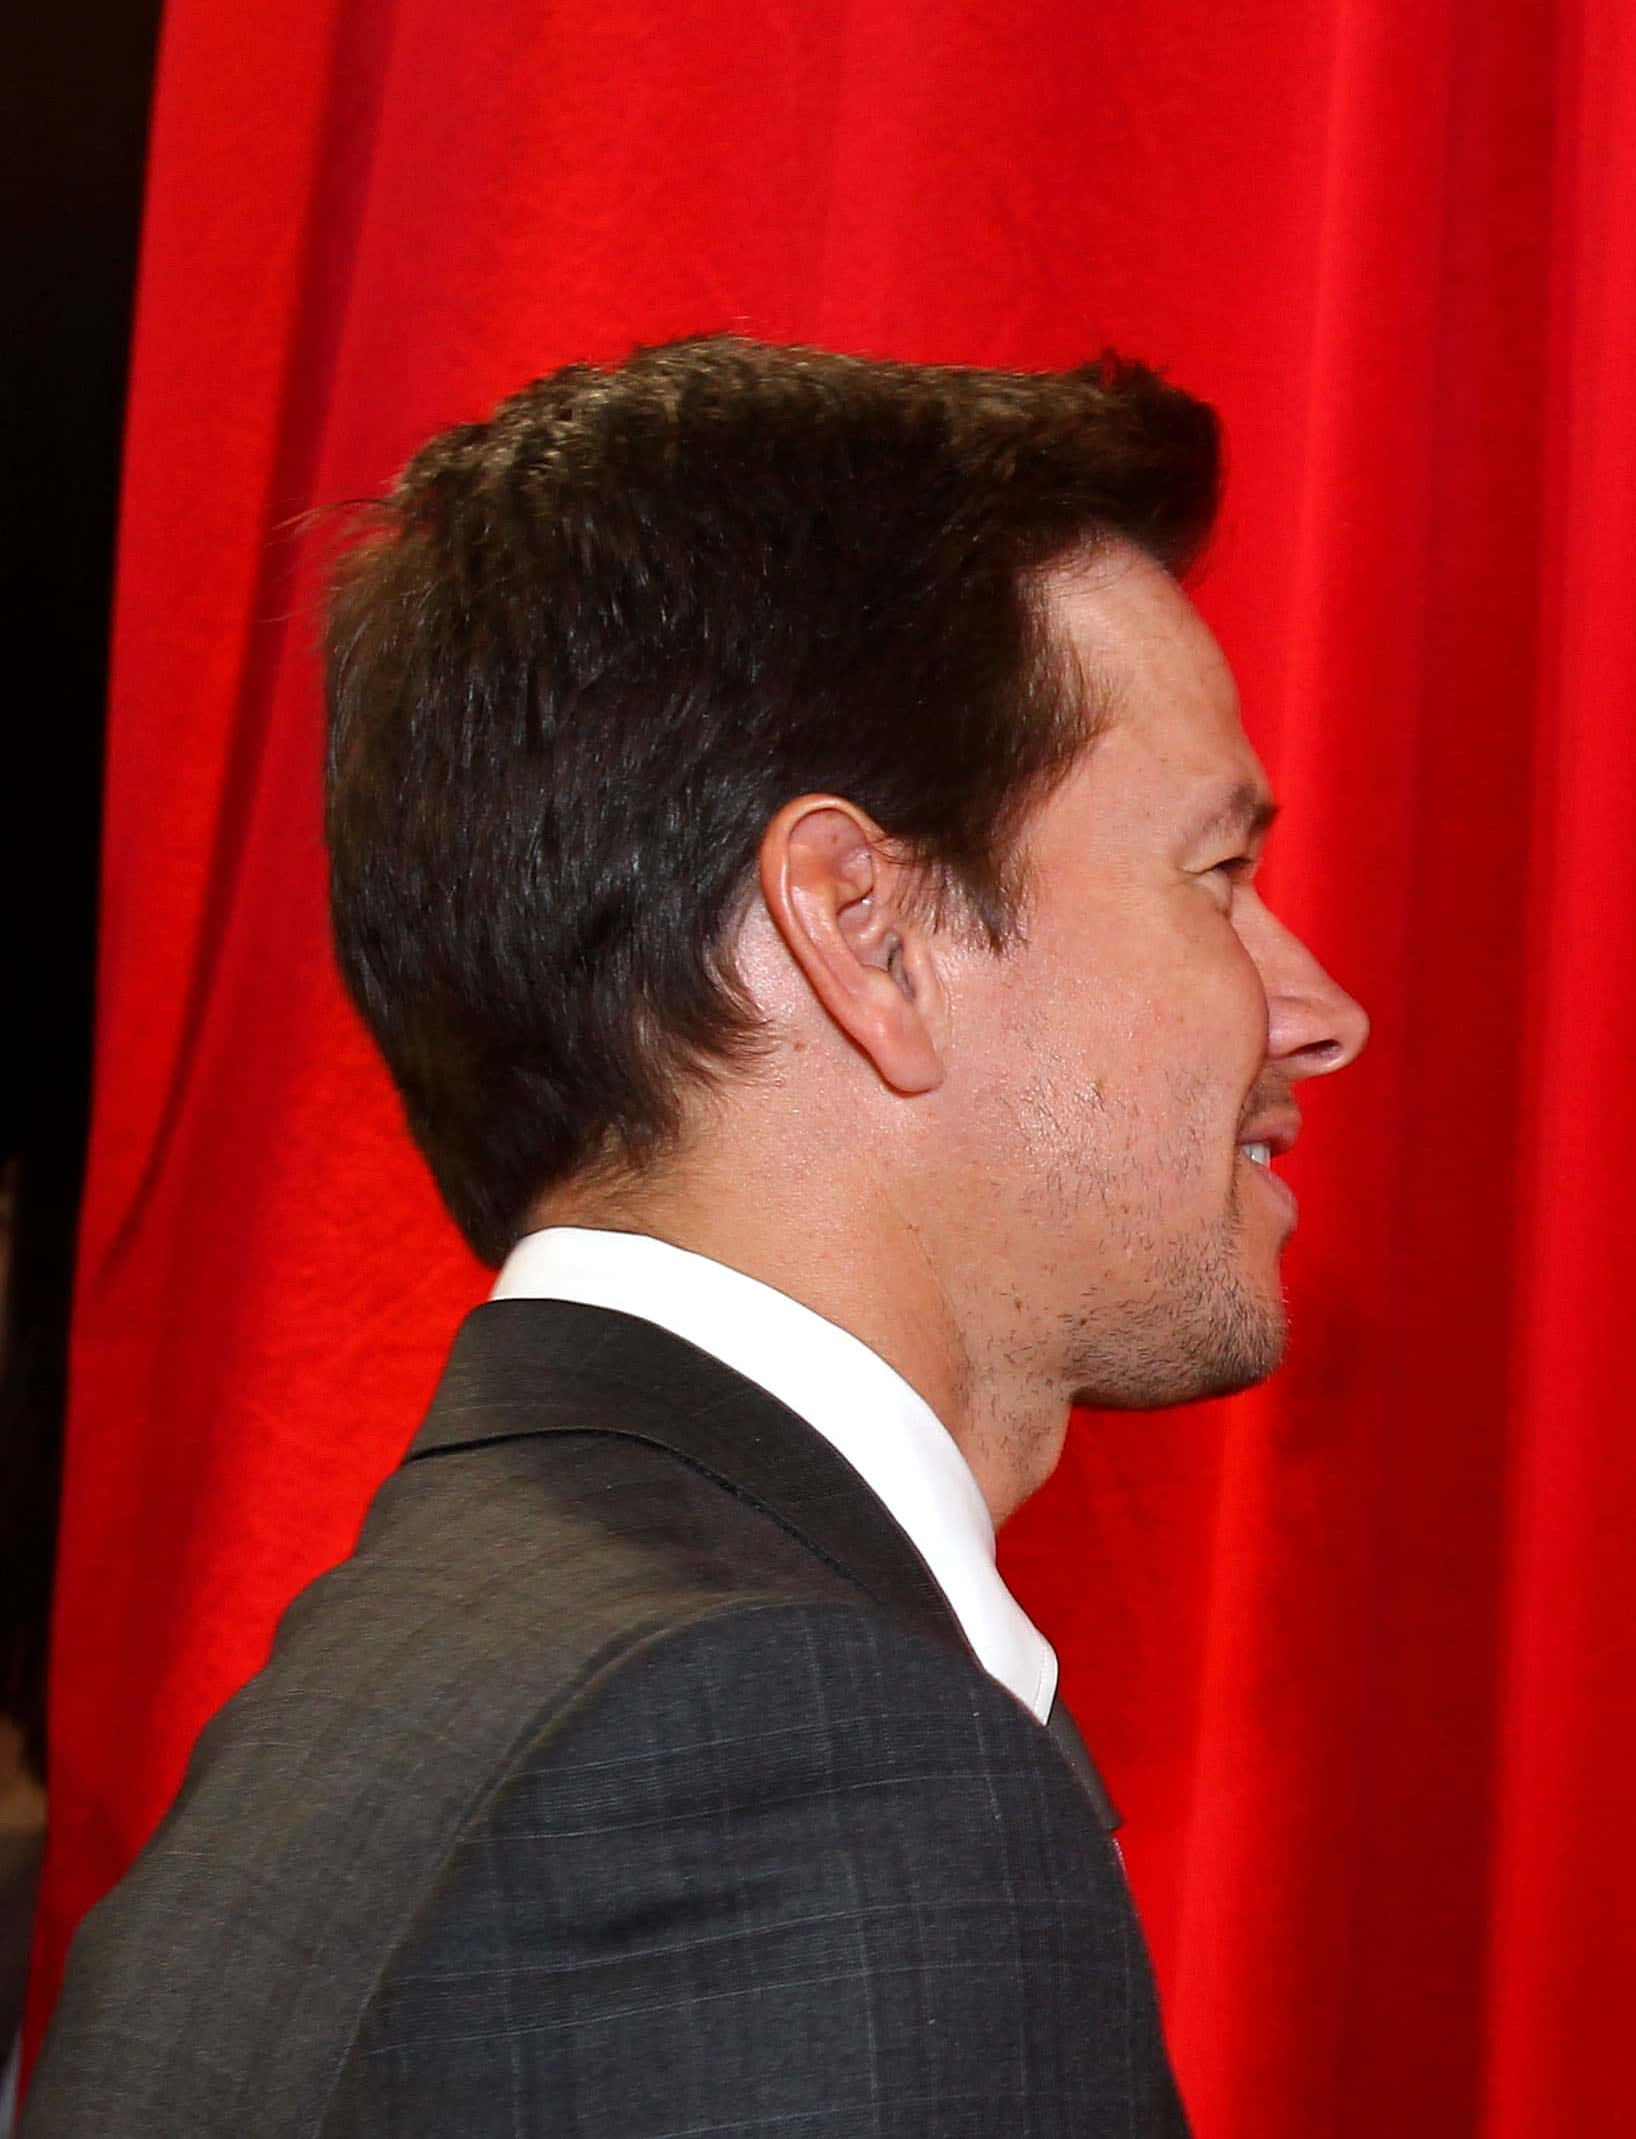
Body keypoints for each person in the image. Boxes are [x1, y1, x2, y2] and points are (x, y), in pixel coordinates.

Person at [29, 337, 1366, 2135]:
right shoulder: (786, 1771)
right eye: (1217, 873)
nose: (1319, 1007)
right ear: (863, 933)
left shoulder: (415, 1680)